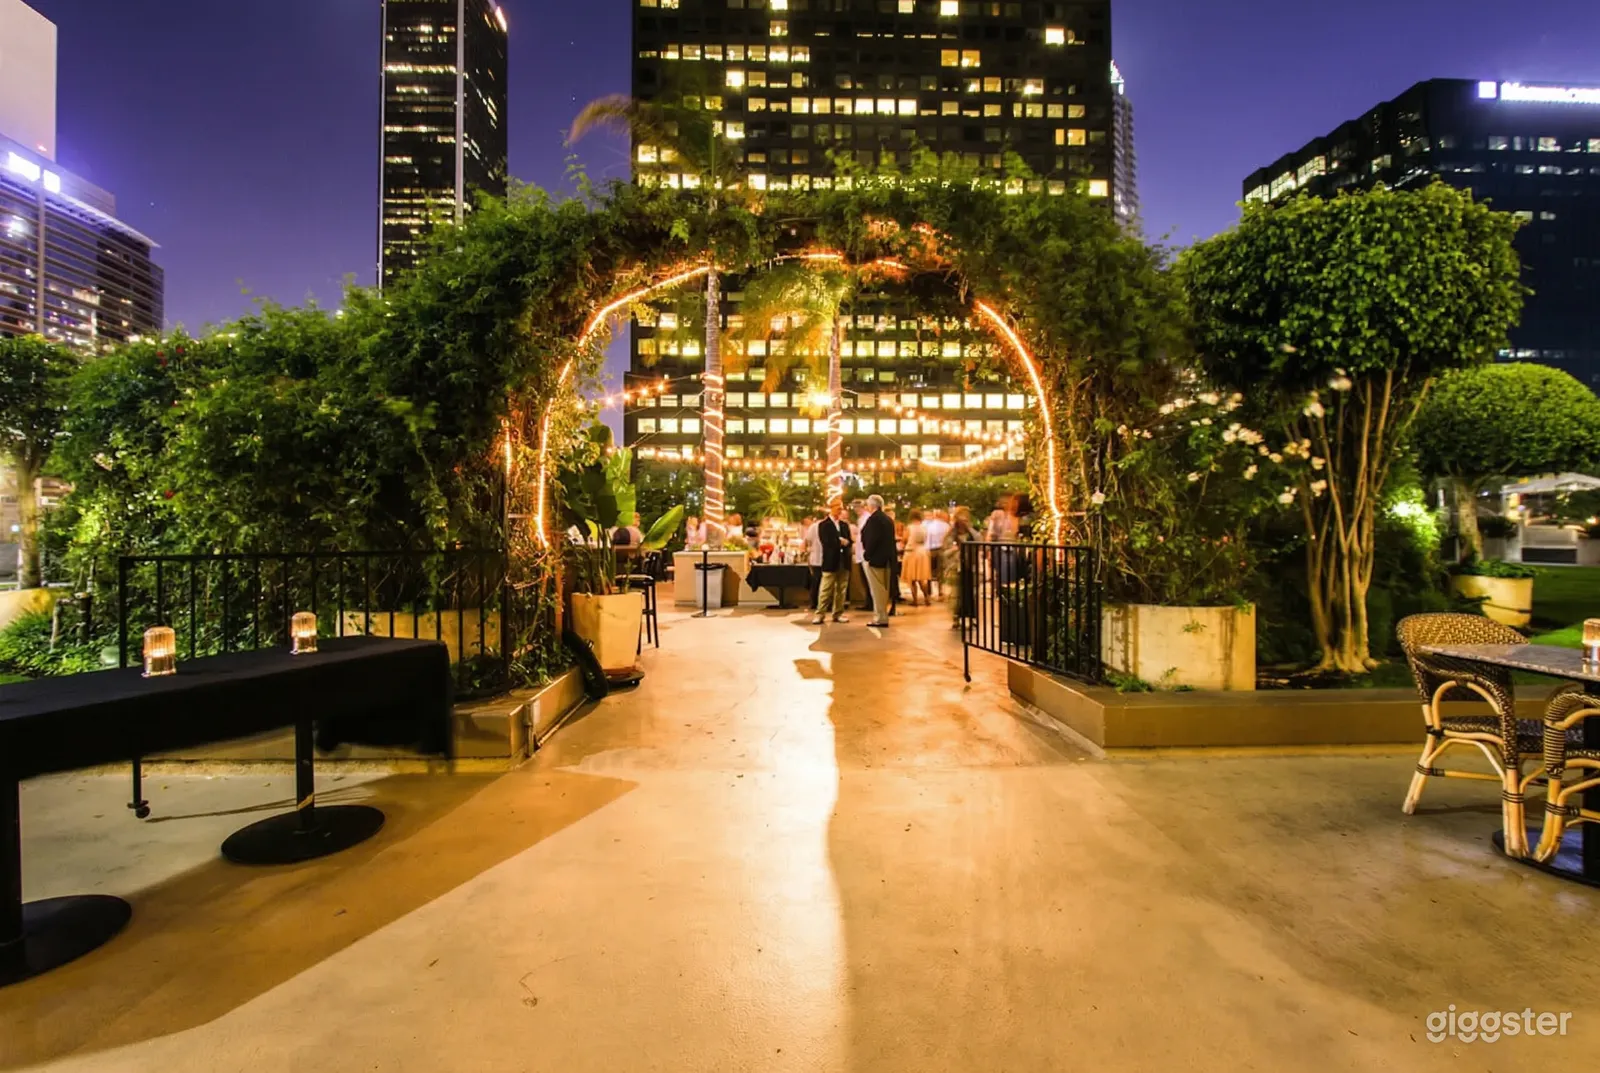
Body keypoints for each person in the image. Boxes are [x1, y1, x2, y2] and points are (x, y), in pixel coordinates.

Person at [811, 501, 853, 624]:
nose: (840, 510)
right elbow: (826, 542)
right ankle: (820, 613)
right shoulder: (824, 525)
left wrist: (847, 542)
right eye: (838, 508)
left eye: (841, 508)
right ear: (831, 508)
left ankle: (838, 613)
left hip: (843, 561)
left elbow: (850, 541)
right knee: (826, 589)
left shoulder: (844, 525)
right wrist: (839, 541)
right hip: (830, 561)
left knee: (841, 589)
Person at [859, 495, 897, 628]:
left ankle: (880, 617)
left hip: (875, 560)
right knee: (884, 589)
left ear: (872, 505)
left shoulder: (874, 520)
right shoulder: (887, 519)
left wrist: (867, 555)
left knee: (877, 590)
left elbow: (872, 539)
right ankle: (882, 616)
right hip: (887, 559)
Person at [944, 506, 981, 627]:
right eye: (961, 517)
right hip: (956, 567)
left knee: (970, 594)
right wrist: (954, 550)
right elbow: (945, 552)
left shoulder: (971, 533)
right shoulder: (951, 534)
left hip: (970, 566)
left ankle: (971, 617)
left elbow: (979, 542)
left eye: (966, 517)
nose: (964, 520)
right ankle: (956, 617)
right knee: (956, 594)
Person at [900, 509, 933, 606]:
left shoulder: (909, 528)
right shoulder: (924, 528)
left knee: (912, 579)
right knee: (922, 578)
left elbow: (904, 540)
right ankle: (927, 598)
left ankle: (915, 601)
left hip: (911, 552)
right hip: (922, 553)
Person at [923, 508, 951, 599]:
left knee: (929, 571)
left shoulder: (928, 526)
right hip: (942, 549)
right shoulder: (946, 526)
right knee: (940, 571)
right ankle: (940, 591)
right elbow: (948, 540)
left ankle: (929, 591)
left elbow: (927, 538)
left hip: (930, 549)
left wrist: (926, 549)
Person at [803, 512, 824, 610]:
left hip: (815, 558)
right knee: (824, 582)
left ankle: (814, 603)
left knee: (815, 581)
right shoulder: (827, 526)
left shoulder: (813, 527)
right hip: (825, 558)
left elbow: (808, 540)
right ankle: (823, 603)